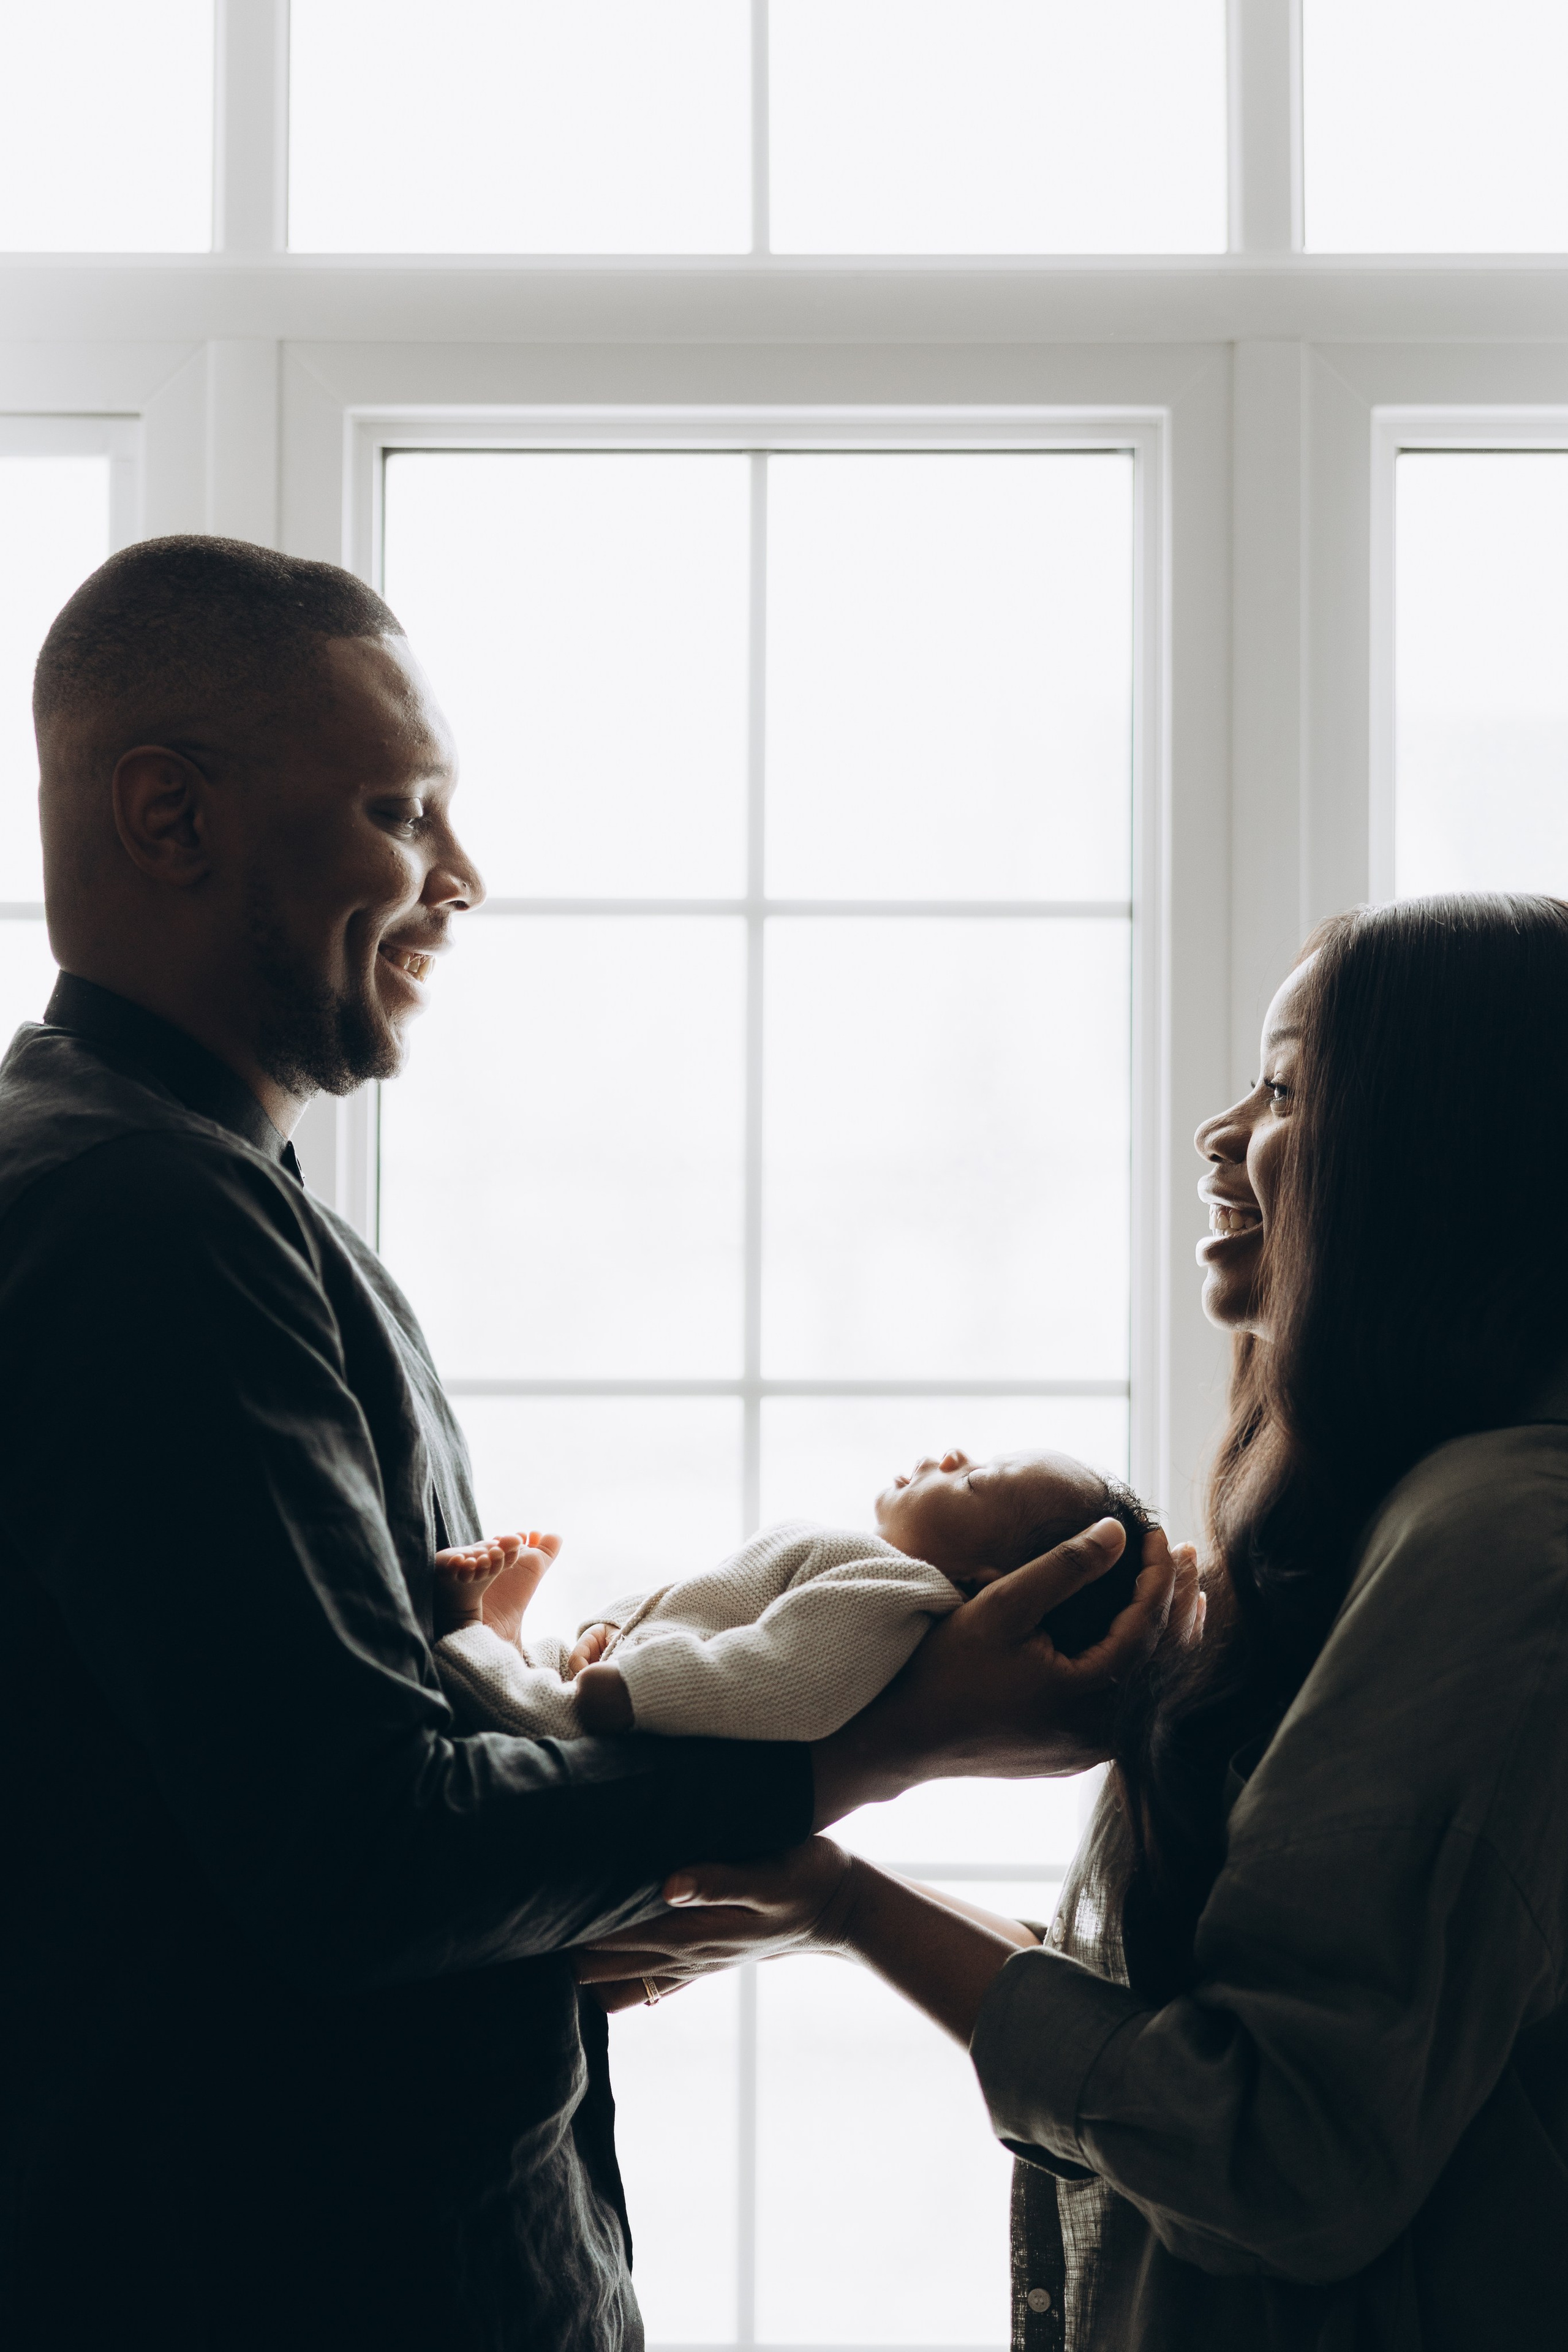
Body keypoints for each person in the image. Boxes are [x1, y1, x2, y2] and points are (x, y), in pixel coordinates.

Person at [0, 533, 1183, 2352]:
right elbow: (358, 1854)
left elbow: (235, 1846)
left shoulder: (202, 1200)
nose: (460, 879)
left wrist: (606, 1894)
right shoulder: (147, 1223)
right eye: (402, 811)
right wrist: (902, 1729)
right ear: (169, 818)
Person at [576, 893, 1568, 2351]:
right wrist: (824, 1898)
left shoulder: (1495, 1536)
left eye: (1285, 1083)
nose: (1217, 1131)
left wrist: (846, 1904)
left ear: (1432, 1152)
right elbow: (1211, 2040)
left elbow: (1270, 2152)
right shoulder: (1412, 1517)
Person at [430, 1449, 1164, 1741]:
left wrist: (632, 1685)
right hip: (634, 1672)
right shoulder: (864, 1565)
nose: (950, 1457)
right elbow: (706, 1601)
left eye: (976, 1480)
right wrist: (614, 1630)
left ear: (985, 1582)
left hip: (633, 1725)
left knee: (532, 1721)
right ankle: (523, 1646)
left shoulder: (896, 1592)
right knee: (554, 1672)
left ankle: (471, 1640)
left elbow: (779, 1680)